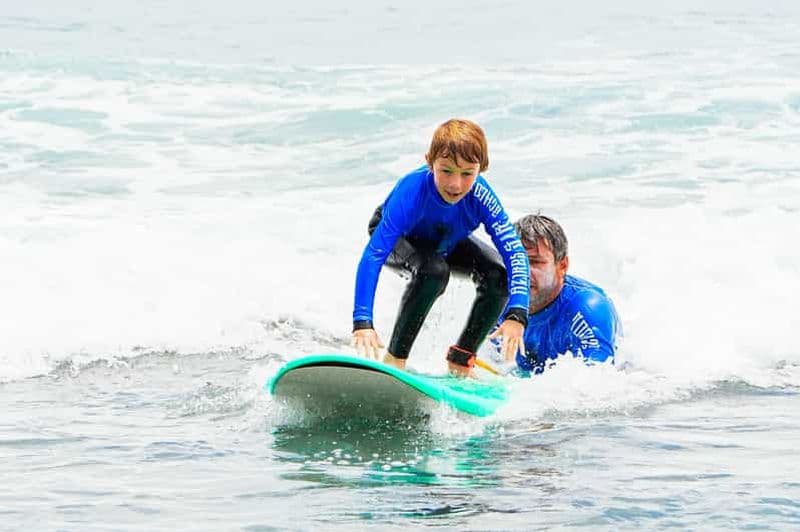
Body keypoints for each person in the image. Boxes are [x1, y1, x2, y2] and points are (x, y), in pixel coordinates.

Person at [351, 119, 530, 375]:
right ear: (430, 162)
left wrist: (517, 313)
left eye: (467, 173)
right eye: (446, 171)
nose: (455, 184)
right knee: (433, 271)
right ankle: (395, 360)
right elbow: (374, 254)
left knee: (498, 276)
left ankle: (461, 361)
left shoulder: (481, 197)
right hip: (397, 239)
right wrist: (362, 321)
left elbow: (514, 253)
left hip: (444, 240)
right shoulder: (412, 190)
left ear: (481, 169)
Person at [502, 214, 621, 375]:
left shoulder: (587, 309)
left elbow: (597, 385)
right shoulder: (500, 301)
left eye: (535, 262)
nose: (523, 273)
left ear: (562, 266)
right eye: (515, 261)